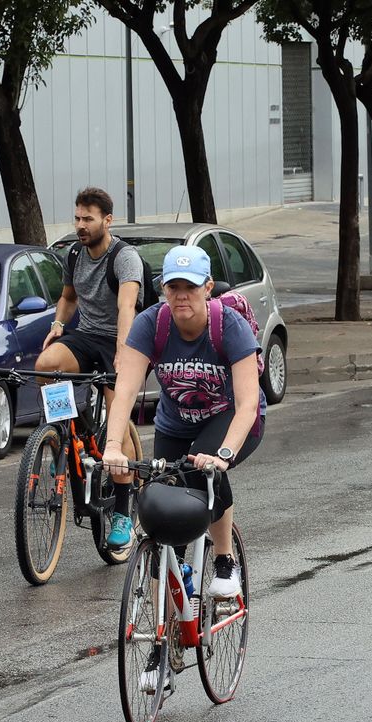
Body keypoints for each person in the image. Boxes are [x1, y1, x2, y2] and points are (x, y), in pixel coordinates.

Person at [102, 245, 264, 609]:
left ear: (207, 288)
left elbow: (248, 404)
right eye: (173, 288)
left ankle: (224, 562)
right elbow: (125, 390)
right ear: (163, 290)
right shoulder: (152, 324)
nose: (181, 296)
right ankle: (166, 642)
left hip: (231, 418)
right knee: (161, 506)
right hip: (175, 424)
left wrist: (224, 454)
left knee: (203, 472)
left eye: (189, 287)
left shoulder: (229, 327)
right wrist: (113, 446)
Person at [44, 186, 145, 546]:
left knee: (117, 420)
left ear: (107, 220)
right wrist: (58, 325)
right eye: (77, 218)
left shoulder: (124, 257)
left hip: (124, 339)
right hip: (87, 336)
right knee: (46, 365)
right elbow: (69, 297)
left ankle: (121, 510)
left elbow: (126, 309)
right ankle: (77, 428)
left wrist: (123, 353)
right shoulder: (75, 254)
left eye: (88, 219)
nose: (81, 225)